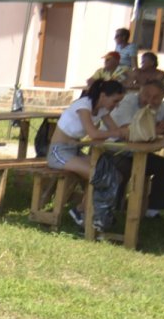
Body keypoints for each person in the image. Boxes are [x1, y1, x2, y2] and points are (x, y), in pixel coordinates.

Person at [47, 79, 128, 231]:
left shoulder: (102, 110)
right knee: (99, 175)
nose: (116, 105)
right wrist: (118, 133)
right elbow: (94, 133)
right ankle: (90, 214)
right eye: (115, 101)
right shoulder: (83, 106)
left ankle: (85, 211)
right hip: (58, 152)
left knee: (114, 175)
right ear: (103, 96)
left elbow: (114, 132)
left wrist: (126, 132)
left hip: (74, 150)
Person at [108, 80, 164, 217]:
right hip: (113, 149)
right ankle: (113, 207)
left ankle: (153, 209)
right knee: (123, 168)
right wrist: (155, 130)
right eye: (147, 95)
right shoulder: (127, 102)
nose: (150, 100)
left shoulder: (161, 107)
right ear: (140, 92)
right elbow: (128, 131)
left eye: (156, 97)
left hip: (137, 153)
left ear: (163, 98)